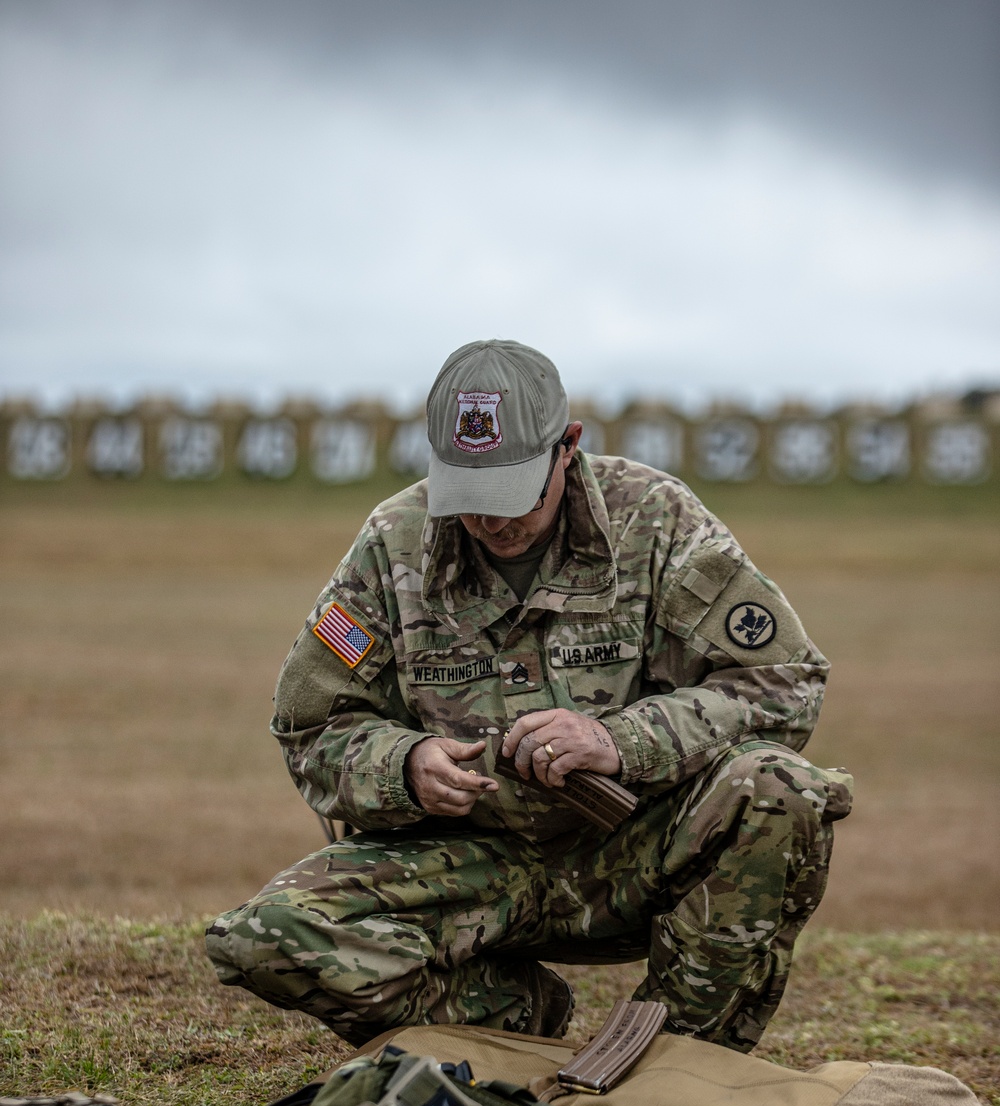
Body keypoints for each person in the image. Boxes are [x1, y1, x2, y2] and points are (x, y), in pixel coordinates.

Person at [206, 339, 850, 1050]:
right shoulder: (395, 543)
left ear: (566, 448)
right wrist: (403, 765)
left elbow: (785, 681)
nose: (492, 522)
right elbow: (310, 724)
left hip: (631, 853)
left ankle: (682, 1059)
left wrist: (621, 741)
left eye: (514, 495)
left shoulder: (656, 521)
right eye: (471, 499)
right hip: (465, 864)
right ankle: (510, 1014)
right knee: (264, 937)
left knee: (779, 788)